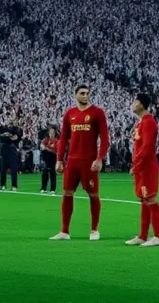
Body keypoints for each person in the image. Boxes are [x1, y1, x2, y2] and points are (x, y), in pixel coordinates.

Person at [49, 85, 109, 241]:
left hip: (89, 162)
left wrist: (100, 158)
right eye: (82, 93)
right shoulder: (70, 114)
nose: (85, 96)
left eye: (87, 93)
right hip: (72, 161)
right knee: (67, 193)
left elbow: (104, 138)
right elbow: (63, 139)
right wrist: (59, 160)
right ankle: (64, 231)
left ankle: (94, 230)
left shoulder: (97, 113)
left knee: (93, 194)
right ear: (75, 95)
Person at [125, 94, 159, 247]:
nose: (133, 104)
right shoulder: (140, 123)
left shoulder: (149, 122)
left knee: (150, 199)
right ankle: (142, 236)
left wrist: (137, 165)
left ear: (141, 104)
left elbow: (147, 147)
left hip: (147, 167)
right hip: (141, 167)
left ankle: (157, 237)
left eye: (135, 101)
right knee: (143, 200)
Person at [0, 119, 23, 191]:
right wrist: (8, 136)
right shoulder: (4, 128)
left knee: (14, 170)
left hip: (12, 151)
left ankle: (14, 186)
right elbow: (1, 138)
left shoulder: (17, 130)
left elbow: (15, 138)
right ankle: (2, 185)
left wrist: (7, 136)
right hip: (4, 151)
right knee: (3, 169)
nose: (10, 123)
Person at [41, 127, 59, 194]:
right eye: (50, 132)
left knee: (53, 174)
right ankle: (43, 188)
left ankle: (52, 189)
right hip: (46, 159)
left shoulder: (57, 141)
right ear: (48, 133)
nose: (51, 134)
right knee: (44, 174)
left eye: (53, 133)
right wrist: (44, 148)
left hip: (53, 159)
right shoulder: (46, 140)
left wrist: (48, 149)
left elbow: (56, 152)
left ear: (54, 134)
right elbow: (42, 147)